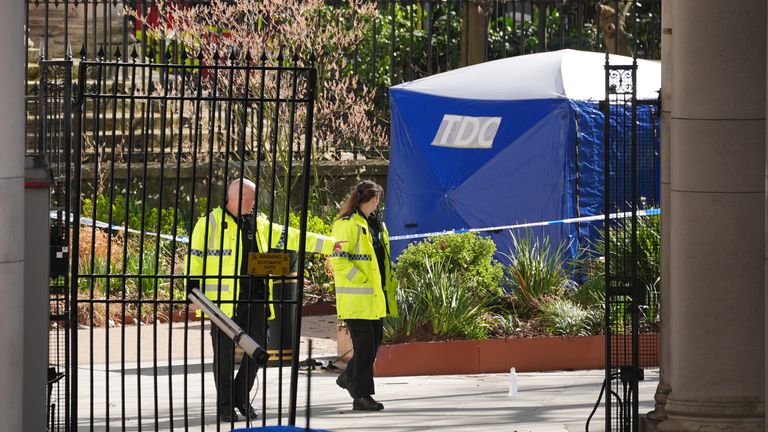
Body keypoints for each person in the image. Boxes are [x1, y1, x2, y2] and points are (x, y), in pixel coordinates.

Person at [186, 178, 335, 422]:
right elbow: (195, 258)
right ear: (238, 198)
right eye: (251, 198)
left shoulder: (258, 223)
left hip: (256, 299)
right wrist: (192, 291)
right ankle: (225, 407)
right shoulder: (209, 224)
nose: (254, 203)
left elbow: (292, 235)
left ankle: (240, 397)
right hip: (222, 303)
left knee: (259, 350)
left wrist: (328, 245)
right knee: (223, 355)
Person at [330, 180, 399, 411]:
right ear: (374, 199)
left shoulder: (376, 224)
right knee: (365, 347)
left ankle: (349, 377)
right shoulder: (346, 224)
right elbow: (338, 260)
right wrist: (361, 280)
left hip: (375, 298)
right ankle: (361, 396)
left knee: (373, 343)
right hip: (357, 298)